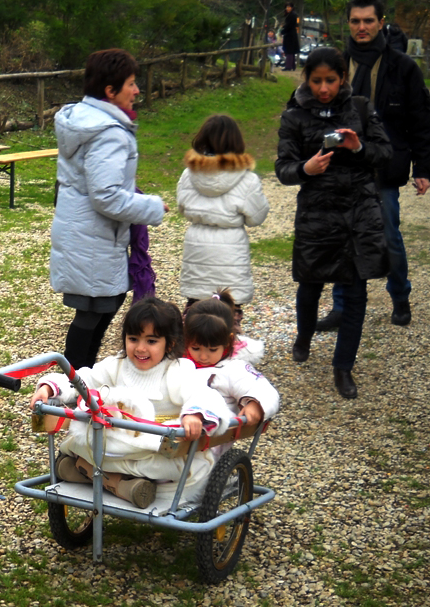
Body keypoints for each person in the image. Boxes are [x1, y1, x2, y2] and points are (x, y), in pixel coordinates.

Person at [29, 297, 231, 508]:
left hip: (154, 448)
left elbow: (203, 393)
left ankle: (90, 473)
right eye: (133, 339)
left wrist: (195, 414)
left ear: (170, 343)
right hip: (116, 445)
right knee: (82, 442)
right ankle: (119, 483)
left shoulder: (178, 370)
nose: (140, 348)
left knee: (175, 466)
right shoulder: (116, 365)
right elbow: (82, 380)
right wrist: (50, 388)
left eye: (151, 341)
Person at [275, 47, 391, 399]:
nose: (323, 88)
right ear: (306, 79)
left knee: (356, 293)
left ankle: (343, 367)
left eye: (330, 80)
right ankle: (304, 335)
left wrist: (358, 148)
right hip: (317, 214)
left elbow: (385, 153)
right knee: (310, 284)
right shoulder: (294, 115)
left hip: (359, 214)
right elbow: (283, 168)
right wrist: (305, 169)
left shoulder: (360, 108)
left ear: (343, 78)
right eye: (316, 81)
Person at [317, 0, 430, 332]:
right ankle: (341, 306)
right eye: (355, 21)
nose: (362, 27)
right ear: (348, 24)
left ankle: (400, 296)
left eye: (368, 20)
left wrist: (423, 168)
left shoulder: (403, 67)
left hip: (384, 166)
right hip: (341, 166)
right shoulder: (335, 65)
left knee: (388, 237)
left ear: (381, 23)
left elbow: (421, 120)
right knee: (343, 238)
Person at [50, 49, 168, 371]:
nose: (137, 90)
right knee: (94, 312)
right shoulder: (109, 133)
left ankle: (81, 378)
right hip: (93, 237)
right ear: (110, 91)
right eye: (131, 84)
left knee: (100, 309)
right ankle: (74, 381)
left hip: (86, 233)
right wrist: (151, 206)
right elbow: (107, 196)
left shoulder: (86, 121)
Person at [177, 114, 270, 332]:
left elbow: (182, 207)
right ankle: (229, 349)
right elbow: (257, 217)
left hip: (198, 246)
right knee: (228, 317)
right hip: (231, 248)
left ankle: (193, 349)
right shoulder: (247, 179)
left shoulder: (189, 174)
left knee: (196, 314)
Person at [183, 290, 280, 439]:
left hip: (210, 438)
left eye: (212, 350)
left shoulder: (233, 368)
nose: (203, 356)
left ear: (228, 342)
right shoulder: (178, 361)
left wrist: (256, 405)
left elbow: (264, 390)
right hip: (172, 427)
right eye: (195, 348)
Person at [280, 3, 300, 72]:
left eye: (289, 7)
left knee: (289, 51)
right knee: (290, 51)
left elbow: (290, 25)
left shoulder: (293, 15)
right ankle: (292, 66)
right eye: (286, 7)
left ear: (292, 8)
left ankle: (288, 66)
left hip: (290, 35)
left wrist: (283, 31)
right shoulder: (289, 15)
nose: (287, 8)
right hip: (290, 34)